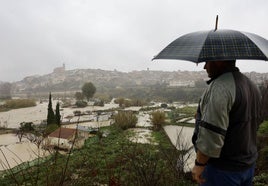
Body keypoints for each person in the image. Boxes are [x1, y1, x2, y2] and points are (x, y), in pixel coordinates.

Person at [191, 60, 263, 186]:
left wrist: (200, 164)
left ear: (218, 61)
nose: (204, 66)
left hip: (222, 170)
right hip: (247, 165)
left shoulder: (220, 87)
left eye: (207, 61)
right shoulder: (252, 86)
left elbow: (211, 135)